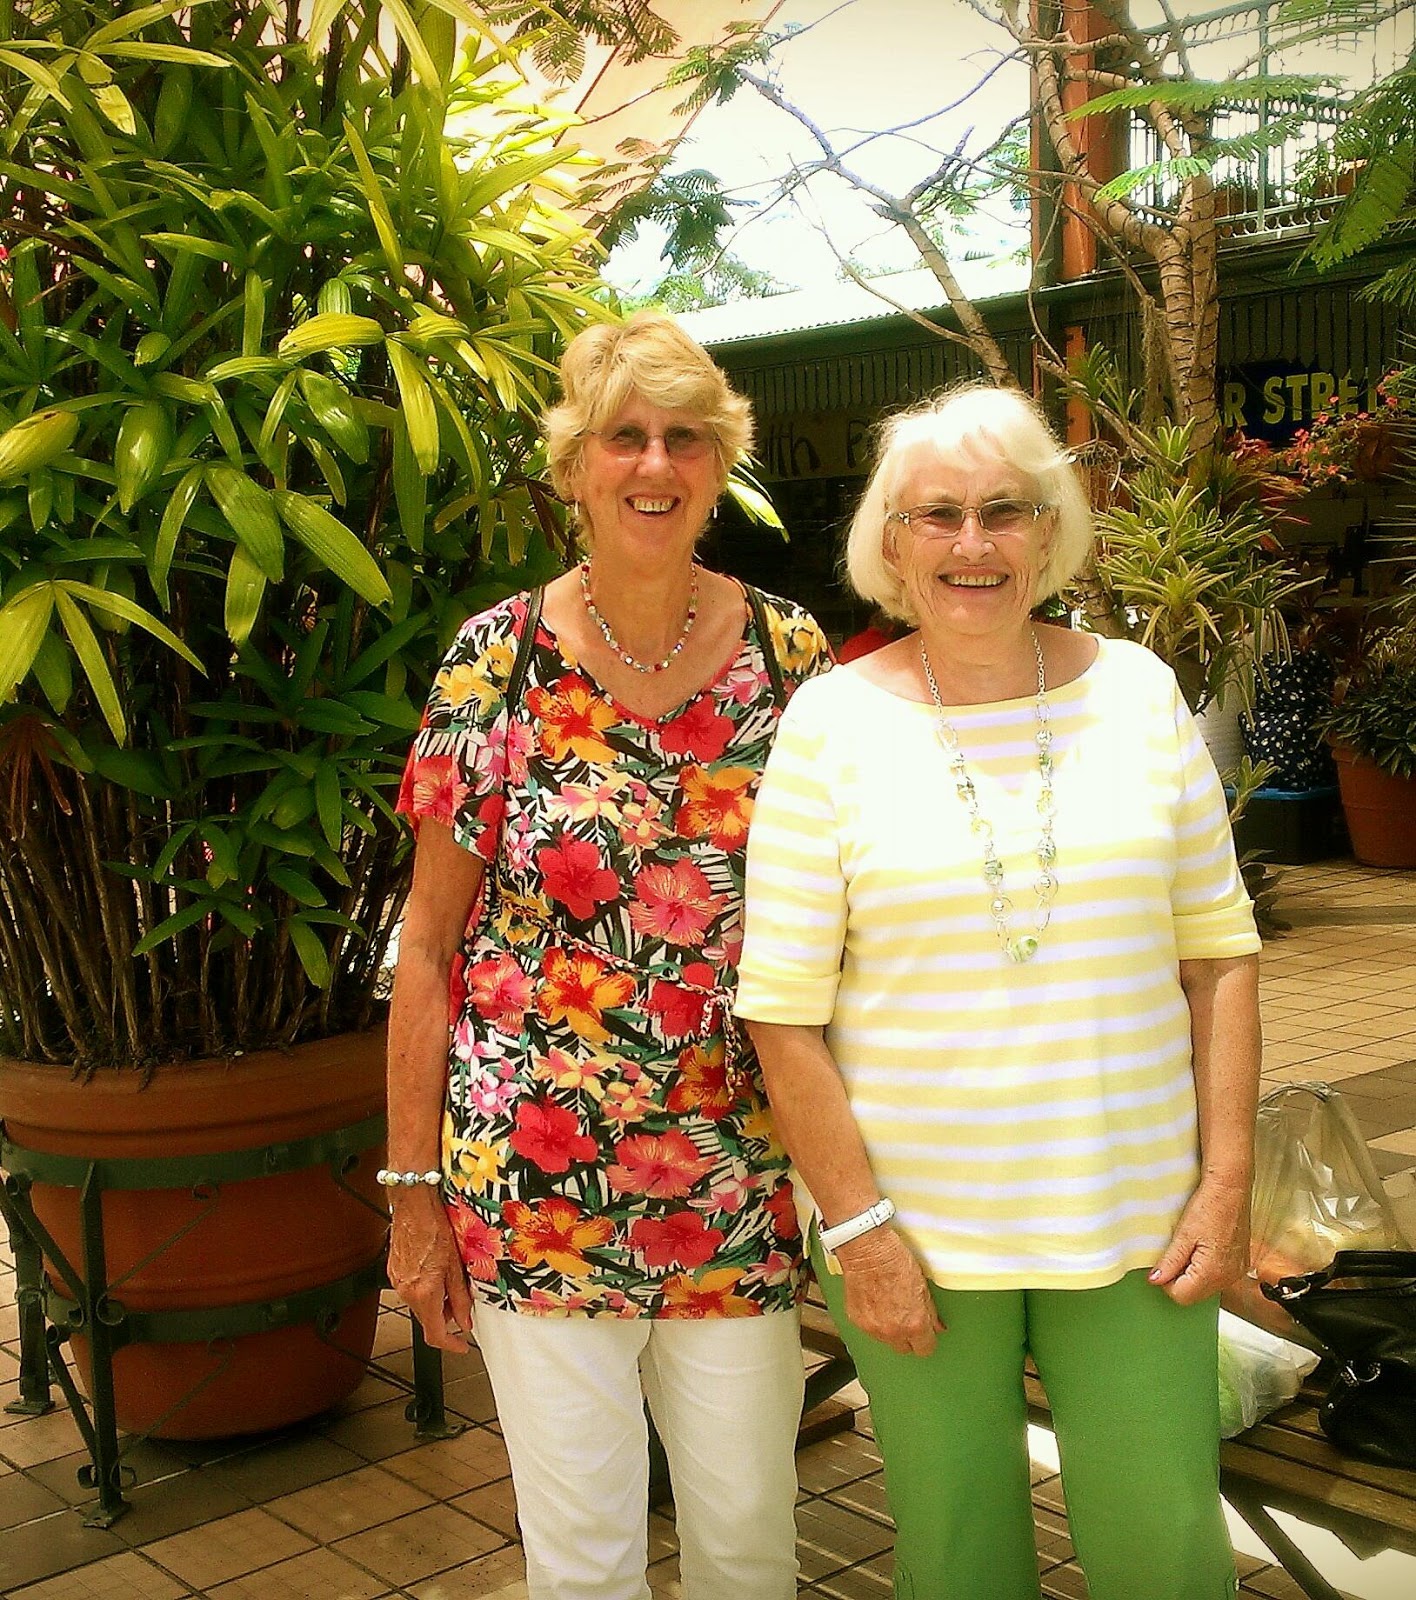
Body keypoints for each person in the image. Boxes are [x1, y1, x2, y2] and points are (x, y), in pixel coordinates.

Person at [734, 382, 1262, 1600]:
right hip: (914, 1234)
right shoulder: (828, 725)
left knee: (1169, 1554)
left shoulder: (1138, 692)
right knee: (959, 1557)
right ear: (892, 540)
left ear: (1050, 528)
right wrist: (859, 1231)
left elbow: (1219, 957)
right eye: (938, 514)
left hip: (1139, 1224)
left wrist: (1227, 1181)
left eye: (1004, 510)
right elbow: (782, 1013)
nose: (972, 543)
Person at [385, 310, 832, 1600]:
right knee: (583, 1562)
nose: (654, 463)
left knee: (750, 1545)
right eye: (623, 436)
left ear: (718, 464)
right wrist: (413, 1197)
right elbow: (428, 946)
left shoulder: (789, 657)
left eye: (685, 437)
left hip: (738, 1172)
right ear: (574, 467)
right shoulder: (496, 661)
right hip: (537, 1181)